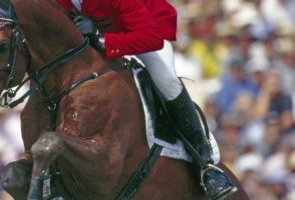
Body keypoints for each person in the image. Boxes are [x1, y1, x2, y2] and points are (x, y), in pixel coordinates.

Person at [55, 0, 236, 198]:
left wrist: (102, 38)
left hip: (145, 33)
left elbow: (151, 38)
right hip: (98, 38)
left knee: (166, 80)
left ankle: (204, 164)